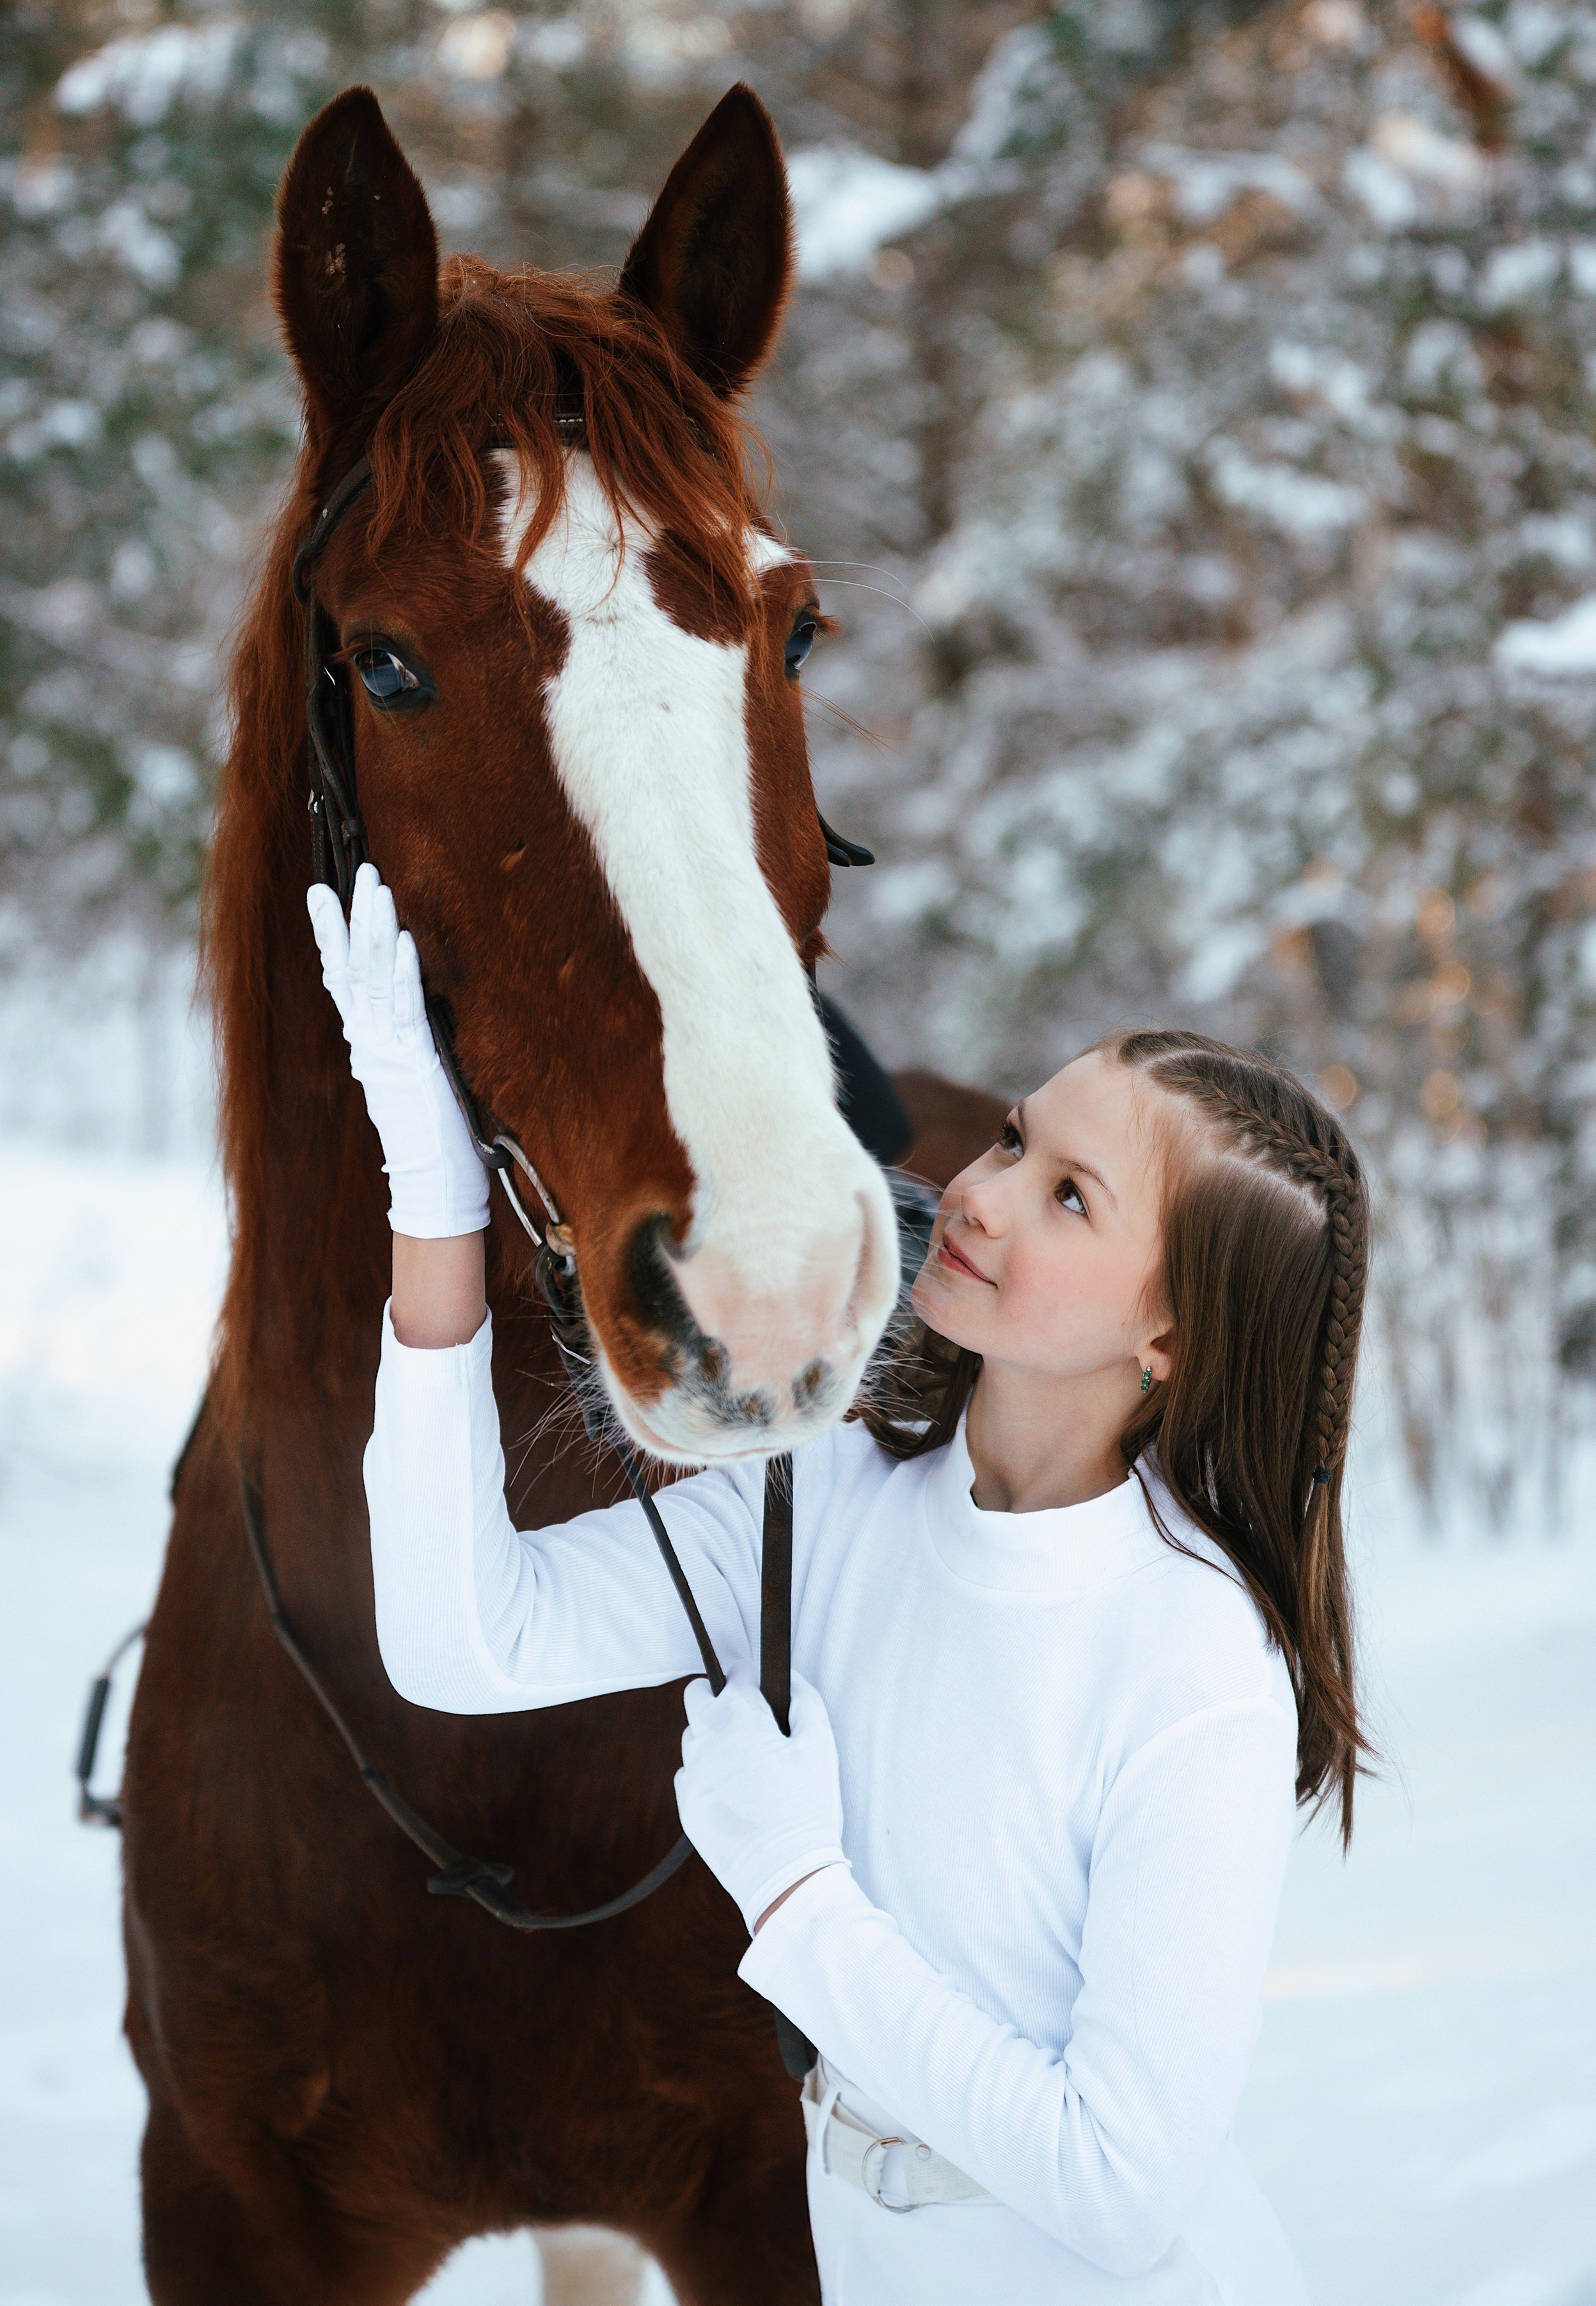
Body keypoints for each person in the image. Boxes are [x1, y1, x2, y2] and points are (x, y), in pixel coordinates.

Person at [311, 864, 1370, 2306]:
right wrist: (433, 1201)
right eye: (1009, 1141)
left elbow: (1119, 2187)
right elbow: (465, 1644)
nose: (982, 1197)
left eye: (1067, 1196)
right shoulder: (834, 1502)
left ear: (1172, 1331)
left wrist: (798, 1894)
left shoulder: (1190, 1659)